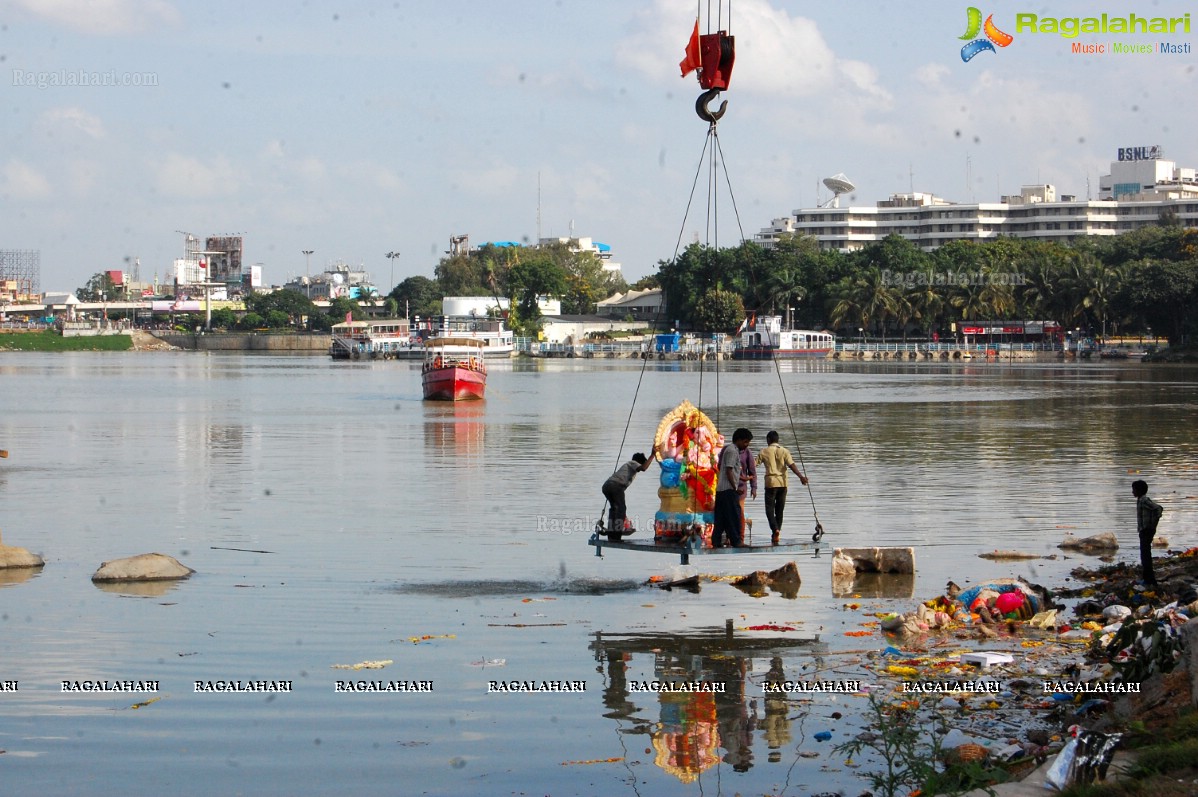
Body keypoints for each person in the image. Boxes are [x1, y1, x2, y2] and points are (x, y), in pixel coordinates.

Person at [755, 431, 808, 545]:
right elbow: (791, 465)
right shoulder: (785, 451)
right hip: (783, 483)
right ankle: (776, 534)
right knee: (780, 510)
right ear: (777, 440)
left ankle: (775, 530)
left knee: (769, 509)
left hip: (770, 483)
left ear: (768, 440)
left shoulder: (764, 451)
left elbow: (754, 465)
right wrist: (801, 477)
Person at [712, 428, 753, 548]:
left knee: (721, 517)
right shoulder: (732, 451)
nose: (746, 446)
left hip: (722, 490)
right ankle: (736, 541)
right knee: (734, 515)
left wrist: (742, 478)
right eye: (745, 442)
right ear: (738, 440)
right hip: (728, 490)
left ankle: (716, 540)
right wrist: (735, 488)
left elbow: (729, 470)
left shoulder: (731, 450)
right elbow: (729, 470)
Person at [602, 452, 650, 539]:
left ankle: (612, 532)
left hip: (607, 486)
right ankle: (617, 532)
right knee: (621, 509)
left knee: (614, 508)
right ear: (640, 462)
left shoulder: (629, 467)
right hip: (615, 486)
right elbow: (644, 468)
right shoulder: (633, 463)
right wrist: (653, 455)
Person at [1132, 479, 1164, 586]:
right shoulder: (1140, 500)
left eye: (1134, 490)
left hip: (1146, 530)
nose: (1132, 492)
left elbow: (1158, 509)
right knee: (1144, 555)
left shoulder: (1144, 500)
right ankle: (1147, 579)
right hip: (1143, 530)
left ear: (1139, 490)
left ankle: (1150, 581)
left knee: (1145, 556)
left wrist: (1153, 523)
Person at [737, 440, 757, 543]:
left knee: (740, 511)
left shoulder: (747, 453)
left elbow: (752, 471)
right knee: (728, 511)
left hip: (741, 487)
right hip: (728, 487)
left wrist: (753, 488)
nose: (746, 445)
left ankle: (741, 538)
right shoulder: (728, 450)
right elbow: (720, 467)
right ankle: (728, 537)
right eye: (745, 442)